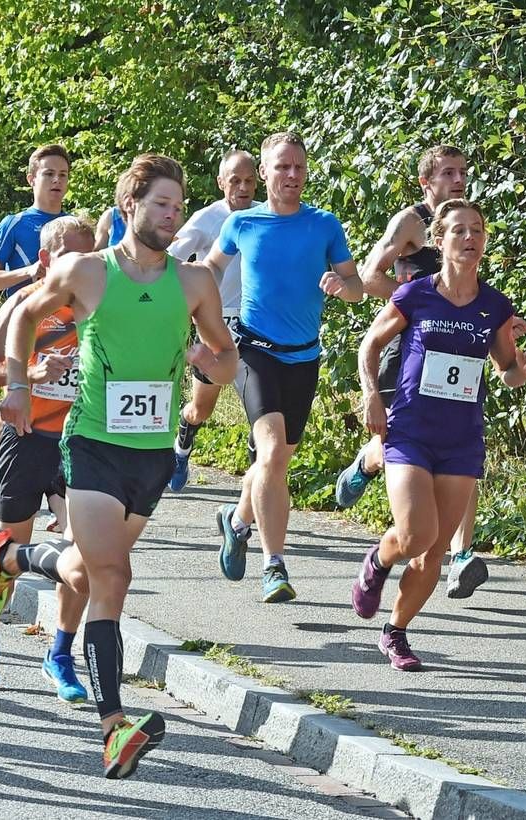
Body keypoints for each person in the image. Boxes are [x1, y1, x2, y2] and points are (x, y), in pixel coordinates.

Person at [0, 153, 237, 778]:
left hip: (151, 454)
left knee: (84, 572)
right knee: (112, 575)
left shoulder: (195, 282)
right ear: (131, 207)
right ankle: (114, 726)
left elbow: (227, 367)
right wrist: (16, 383)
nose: (172, 216)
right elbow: (24, 317)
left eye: (178, 206)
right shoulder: (86, 269)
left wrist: (206, 356)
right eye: (161, 205)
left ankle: (10, 557)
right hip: (91, 441)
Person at [351, 199, 526, 669]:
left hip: (461, 439)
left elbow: (505, 372)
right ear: (440, 241)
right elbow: (370, 345)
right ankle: (378, 559)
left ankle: (395, 632)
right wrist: (373, 394)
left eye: (477, 230)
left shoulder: (495, 306)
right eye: (459, 231)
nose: (470, 238)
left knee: (435, 551)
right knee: (417, 535)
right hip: (411, 429)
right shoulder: (416, 293)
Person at [335, 145, 524, 598]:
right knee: (395, 435)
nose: (458, 180)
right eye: (448, 173)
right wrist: (417, 299)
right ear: (427, 182)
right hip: (411, 340)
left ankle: (459, 552)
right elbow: (367, 276)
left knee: (458, 434)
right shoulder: (410, 223)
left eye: (463, 172)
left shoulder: (466, 227)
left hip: (453, 345)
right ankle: (367, 461)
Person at [203, 131, 364, 603]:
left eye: (298, 167)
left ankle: (235, 523)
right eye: (282, 167)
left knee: (276, 462)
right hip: (253, 351)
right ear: (266, 173)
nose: (292, 175)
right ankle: (274, 565)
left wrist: (342, 285)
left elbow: (356, 286)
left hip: (304, 356)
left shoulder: (324, 224)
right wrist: (194, 308)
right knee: (271, 453)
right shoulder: (242, 223)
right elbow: (210, 270)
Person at [0, 214, 94, 699]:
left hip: (80, 444)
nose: (83, 269)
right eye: (72, 258)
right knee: (5, 555)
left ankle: (60, 654)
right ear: (46, 260)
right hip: (24, 439)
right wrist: (33, 374)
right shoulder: (24, 305)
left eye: (90, 258)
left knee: (85, 551)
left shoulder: (98, 306)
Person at [163, 148, 257, 491]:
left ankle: (254, 486)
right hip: (216, 324)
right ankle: (183, 441)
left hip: (257, 325)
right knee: (202, 408)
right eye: (235, 180)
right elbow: (170, 256)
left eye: (249, 181)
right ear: (221, 182)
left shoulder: (266, 216)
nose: (243, 188)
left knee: (260, 413)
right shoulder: (206, 219)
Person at [0, 144, 70, 293]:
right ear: (31, 179)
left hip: (68, 315)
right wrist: (29, 271)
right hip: (26, 314)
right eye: (49, 173)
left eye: (62, 174)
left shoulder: (74, 225)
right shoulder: (14, 223)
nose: (56, 180)